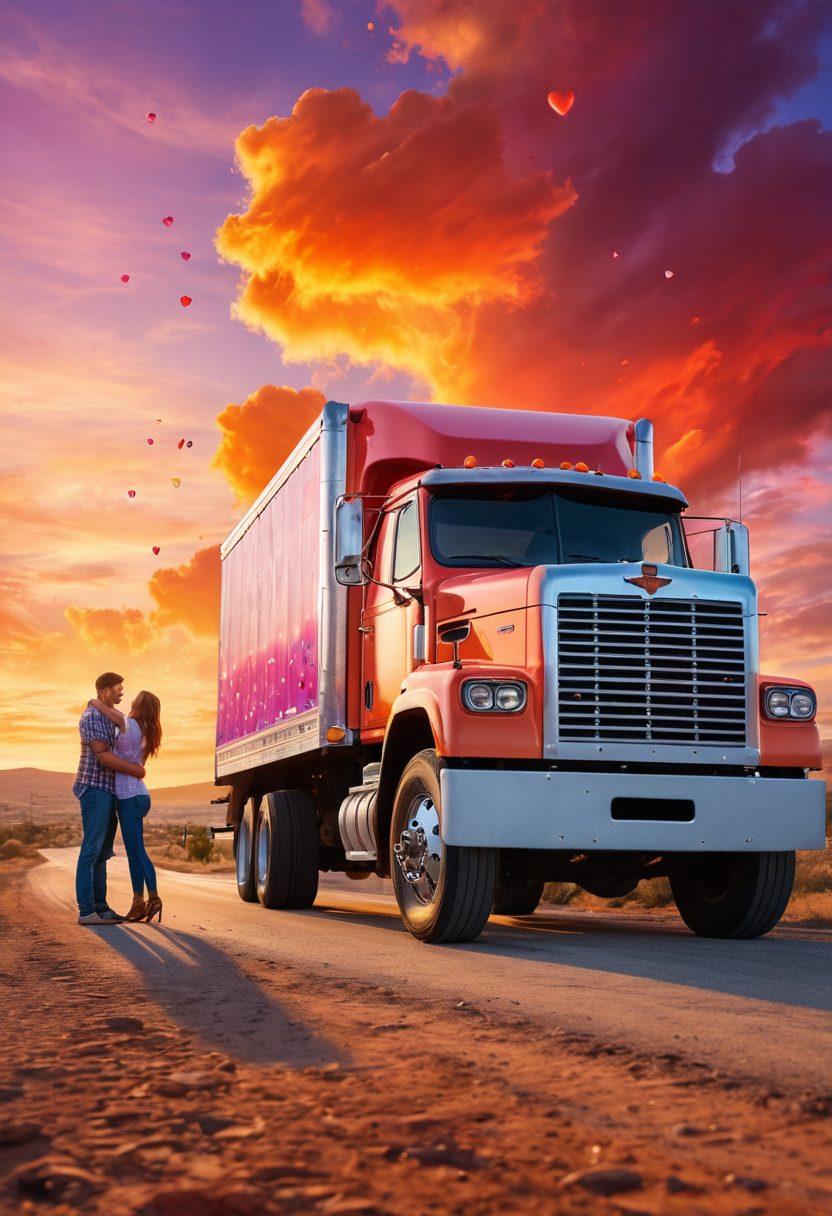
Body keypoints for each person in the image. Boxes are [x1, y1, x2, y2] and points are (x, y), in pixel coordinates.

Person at [73, 673, 146, 925]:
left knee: (102, 852)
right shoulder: (92, 717)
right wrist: (134, 770)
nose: (122, 692)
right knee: (91, 850)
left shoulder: (105, 714)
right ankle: (86, 911)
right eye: (117, 688)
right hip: (94, 788)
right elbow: (103, 755)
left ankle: (101, 908)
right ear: (104, 690)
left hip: (108, 790)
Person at [92, 690, 163, 923]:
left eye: (134, 701)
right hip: (139, 795)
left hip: (129, 796)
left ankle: (152, 899)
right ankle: (138, 902)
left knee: (137, 852)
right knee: (134, 853)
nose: (130, 702)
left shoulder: (128, 723)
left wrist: (93, 701)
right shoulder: (149, 730)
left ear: (138, 705)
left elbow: (107, 710)